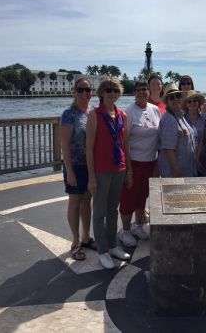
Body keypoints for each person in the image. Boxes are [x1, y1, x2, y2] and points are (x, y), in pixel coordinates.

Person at [86, 77, 132, 269]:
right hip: (101, 171)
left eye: (115, 90)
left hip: (119, 169)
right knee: (99, 212)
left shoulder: (122, 115)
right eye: (108, 89)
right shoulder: (95, 115)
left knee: (113, 209)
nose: (112, 93)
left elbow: (125, 145)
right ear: (102, 93)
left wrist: (129, 171)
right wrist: (91, 176)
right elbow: (89, 148)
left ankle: (112, 245)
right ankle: (102, 250)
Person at [118, 80, 162, 247]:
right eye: (139, 90)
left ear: (149, 92)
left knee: (142, 195)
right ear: (134, 93)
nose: (142, 92)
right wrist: (128, 169)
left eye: (145, 89)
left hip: (150, 161)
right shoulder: (129, 112)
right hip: (134, 162)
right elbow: (124, 141)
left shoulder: (155, 110)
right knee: (128, 197)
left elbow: (160, 137)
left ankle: (138, 225)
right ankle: (125, 230)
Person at [60, 77, 96, 261]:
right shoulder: (69, 114)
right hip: (74, 165)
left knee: (86, 200)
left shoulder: (94, 113)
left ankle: (86, 237)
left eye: (88, 90)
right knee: (74, 201)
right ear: (74, 92)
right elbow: (64, 146)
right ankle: (75, 242)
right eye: (81, 90)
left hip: (90, 165)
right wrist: (70, 171)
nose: (85, 93)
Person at [158, 84, 196, 177]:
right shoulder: (169, 120)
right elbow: (169, 149)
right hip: (175, 174)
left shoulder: (181, 116)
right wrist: (177, 170)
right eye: (171, 97)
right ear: (167, 102)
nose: (176, 99)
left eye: (178, 96)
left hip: (187, 170)